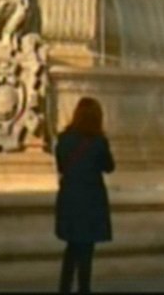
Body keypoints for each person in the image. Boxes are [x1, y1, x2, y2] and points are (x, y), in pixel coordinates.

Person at [55, 97, 116, 295]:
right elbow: (109, 167)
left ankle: (64, 288)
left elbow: (61, 166)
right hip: (90, 200)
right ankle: (84, 288)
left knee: (72, 246)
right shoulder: (98, 142)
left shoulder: (63, 139)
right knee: (86, 248)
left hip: (69, 198)